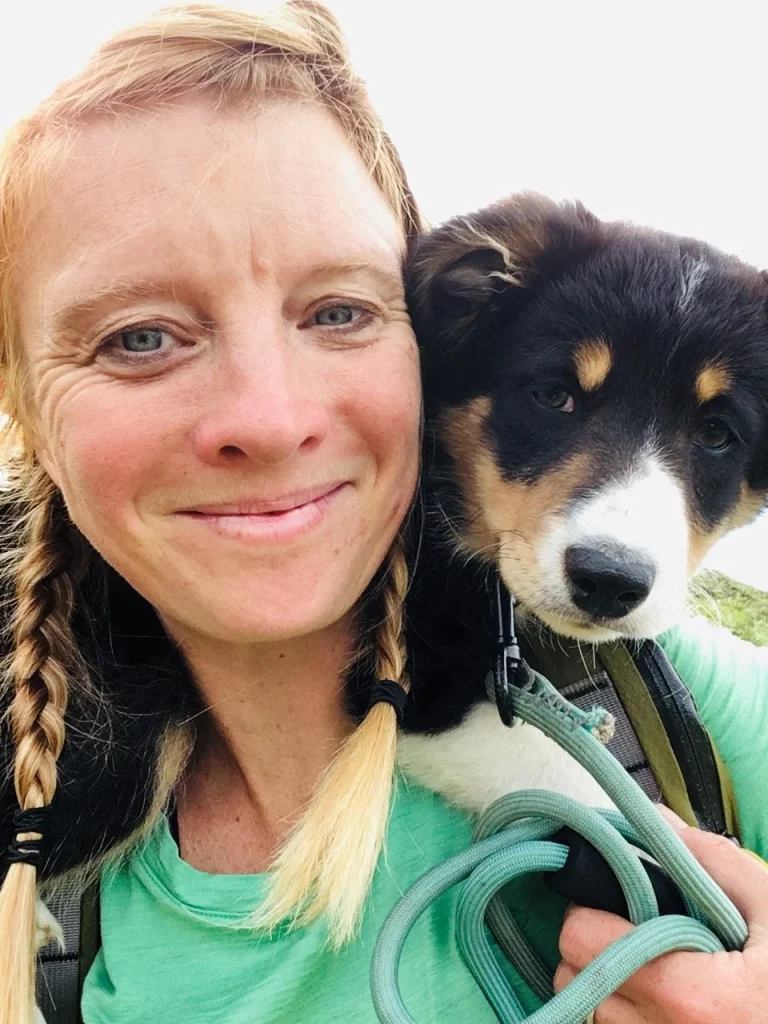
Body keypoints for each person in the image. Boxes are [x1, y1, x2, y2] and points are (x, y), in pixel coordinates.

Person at [0, 3, 766, 1023]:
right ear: (23, 409)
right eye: (140, 336)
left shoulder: (692, 715)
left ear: (418, 334)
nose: (268, 420)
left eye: (338, 312)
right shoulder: (50, 838)